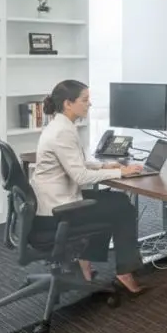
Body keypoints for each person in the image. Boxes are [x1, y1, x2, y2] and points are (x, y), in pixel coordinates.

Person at [30, 80, 146, 294]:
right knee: (122, 207)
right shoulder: (63, 132)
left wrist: (104, 165)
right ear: (68, 103)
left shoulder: (59, 125)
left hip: (52, 201)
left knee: (112, 201)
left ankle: (86, 262)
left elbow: (74, 162)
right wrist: (122, 172)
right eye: (85, 100)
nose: (89, 104)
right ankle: (124, 272)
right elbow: (81, 176)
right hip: (58, 210)